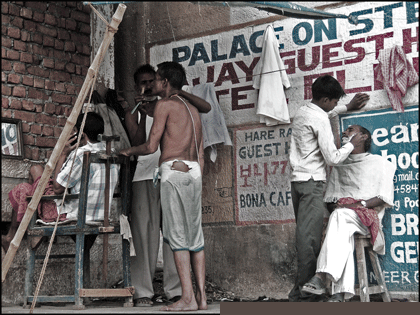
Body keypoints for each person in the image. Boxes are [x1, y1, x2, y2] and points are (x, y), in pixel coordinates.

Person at [120, 61, 207, 312]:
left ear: (164, 83)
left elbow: (150, 147)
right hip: (175, 173)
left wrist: (126, 150)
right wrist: (140, 112)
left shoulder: (166, 104)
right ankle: (189, 297)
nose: (151, 85)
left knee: (175, 237)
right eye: (145, 82)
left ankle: (182, 294)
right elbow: (198, 148)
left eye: (154, 80)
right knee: (182, 238)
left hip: (171, 171)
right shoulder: (188, 108)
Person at [288, 74, 370, 302]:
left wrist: (346, 107)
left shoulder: (304, 111)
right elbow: (333, 158)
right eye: (334, 101)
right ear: (325, 100)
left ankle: (298, 293)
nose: (334, 105)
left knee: (307, 238)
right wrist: (349, 145)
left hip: (299, 182)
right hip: (312, 182)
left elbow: (325, 114)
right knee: (310, 241)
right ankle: (306, 297)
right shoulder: (320, 119)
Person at [301, 125, 396, 302]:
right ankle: (340, 293)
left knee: (340, 217)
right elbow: (330, 201)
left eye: (350, 130)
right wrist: (340, 207)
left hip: (368, 218)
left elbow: (383, 197)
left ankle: (322, 276)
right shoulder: (340, 166)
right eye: (345, 131)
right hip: (343, 220)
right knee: (340, 222)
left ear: (363, 137)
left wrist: (358, 205)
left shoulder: (380, 163)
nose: (344, 133)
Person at [2, 112, 119, 253]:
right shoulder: (112, 153)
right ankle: (14, 235)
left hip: (73, 215)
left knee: (29, 181)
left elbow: (58, 189)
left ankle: (16, 234)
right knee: (35, 175)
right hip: (101, 216)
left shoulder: (81, 154)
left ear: (81, 134)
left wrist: (63, 154)